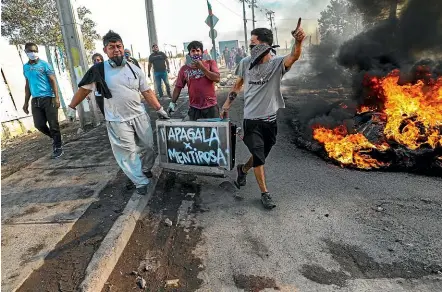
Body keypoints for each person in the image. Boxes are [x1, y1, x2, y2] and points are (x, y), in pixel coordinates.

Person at [66, 30, 169, 195]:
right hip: (117, 120)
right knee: (127, 152)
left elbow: (147, 91)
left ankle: (145, 169)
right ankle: (139, 181)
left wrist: (160, 109)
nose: (117, 50)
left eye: (119, 46)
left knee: (148, 147)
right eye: (112, 47)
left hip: (139, 115)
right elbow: (84, 90)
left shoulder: (135, 69)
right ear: (105, 50)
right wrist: (71, 108)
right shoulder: (98, 70)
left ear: (123, 47)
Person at [220, 19, 306, 209]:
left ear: (265, 45)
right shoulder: (245, 62)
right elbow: (238, 84)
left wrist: (299, 42)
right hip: (251, 119)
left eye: (254, 44)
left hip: (270, 120)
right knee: (259, 156)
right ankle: (265, 193)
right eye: (250, 45)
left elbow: (294, 55)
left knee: (261, 155)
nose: (250, 48)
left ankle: (243, 169)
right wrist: (226, 104)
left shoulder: (276, 64)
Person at [22, 42, 63, 159]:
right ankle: (55, 138)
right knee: (39, 125)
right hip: (35, 100)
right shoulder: (25, 67)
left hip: (48, 98)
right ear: (26, 52)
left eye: (35, 51)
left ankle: (58, 146)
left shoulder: (44, 65)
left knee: (53, 124)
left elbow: (53, 81)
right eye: (30, 51)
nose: (33, 53)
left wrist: (56, 97)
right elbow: (27, 85)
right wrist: (25, 102)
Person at [168, 41, 220, 121]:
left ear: (202, 53)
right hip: (194, 108)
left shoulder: (210, 63)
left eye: (198, 51)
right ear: (189, 54)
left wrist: (202, 67)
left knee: (213, 132)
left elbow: (217, 78)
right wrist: (172, 103)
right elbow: (178, 87)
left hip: (211, 107)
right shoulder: (184, 69)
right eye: (193, 51)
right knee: (196, 132)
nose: (195, 53)